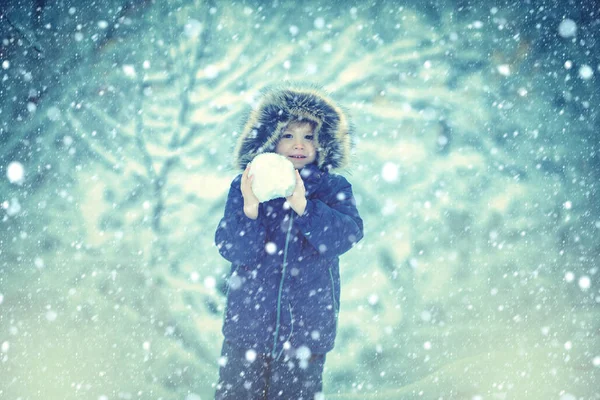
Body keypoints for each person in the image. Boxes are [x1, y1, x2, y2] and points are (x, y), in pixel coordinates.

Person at [214, 83, 364, 400]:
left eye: (308, 136)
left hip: (306, 333)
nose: (299, 144)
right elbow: (235, 249)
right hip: (248, 329)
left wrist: (305, 207)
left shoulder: (332, 187)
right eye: (288, 135)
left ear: (322, 141)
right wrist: (250, 208)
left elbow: (344, 236)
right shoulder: (246, 186)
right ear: (270, 138)